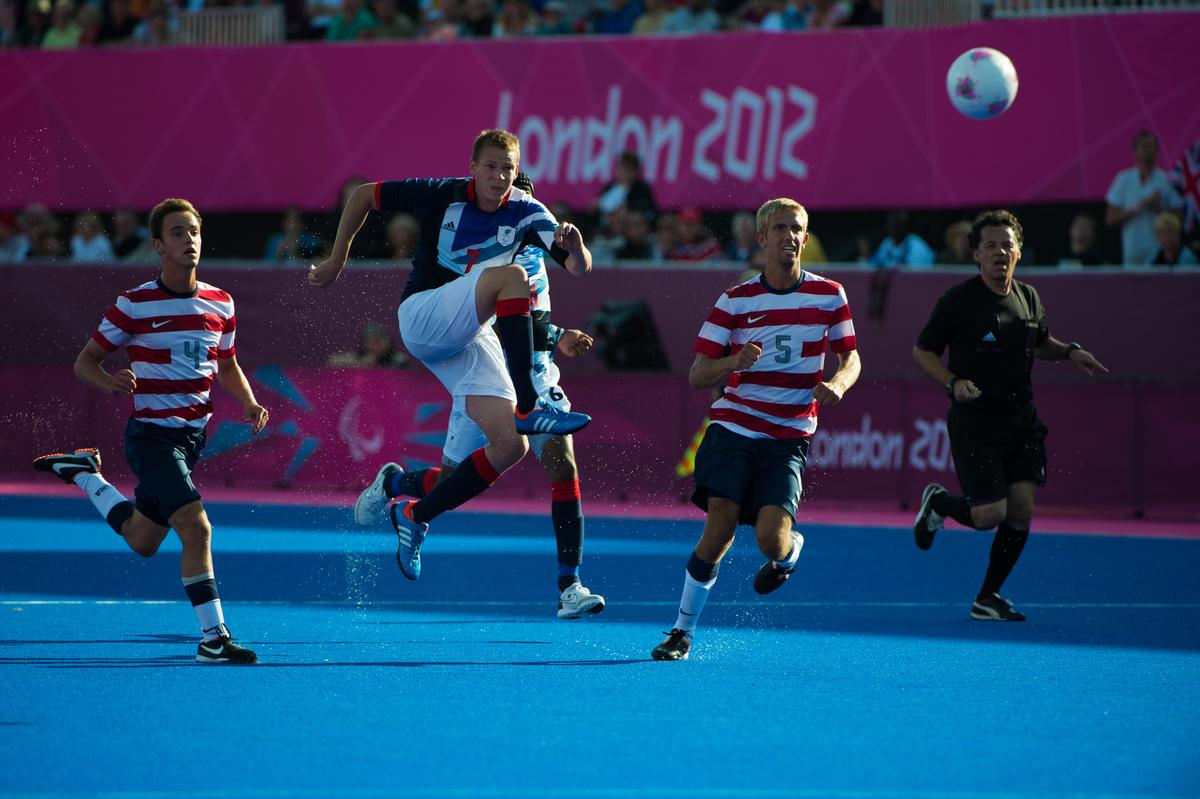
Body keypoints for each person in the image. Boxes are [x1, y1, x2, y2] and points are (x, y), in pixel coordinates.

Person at [309, 129, 593, 582]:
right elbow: (363, 194)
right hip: (424, 318)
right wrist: (338, 257)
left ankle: (407, 503)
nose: (501, 178)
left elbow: (578, 266)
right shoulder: (443, 196)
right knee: (510, 278)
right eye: (492, 167)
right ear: (473, 168)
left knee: (507, 449)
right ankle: (528, 407)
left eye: (509, 169)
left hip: (471, 341)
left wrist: (575, 250)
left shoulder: (527, 218)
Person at [32, 198, 269, 664]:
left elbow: (228, 364)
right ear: (158, 245)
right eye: (178, 233)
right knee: (196, 529)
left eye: (194, 231)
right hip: (152, 438)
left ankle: (85, 475)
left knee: (143, 540)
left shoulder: (221, 302)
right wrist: (112, 383)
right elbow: (86, 363)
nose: (190, 240)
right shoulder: (135, 303)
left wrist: (248, 399)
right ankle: (214, 639)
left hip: (190, 440)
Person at [372, 173, 606, 618]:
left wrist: (555, 332)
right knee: (455, 480)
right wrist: (557, 334)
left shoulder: (538, 253)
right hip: (490, 369)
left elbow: (559, 286)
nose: (522, 217)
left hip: (539, 375)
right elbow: (494, 325)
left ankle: (569, 586)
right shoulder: (485, 260)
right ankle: (397, 485)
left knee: (563, 465)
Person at [651, 197, 861, 661]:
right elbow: (698, 374)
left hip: (788, 435)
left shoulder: (830, 295)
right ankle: (681, 632)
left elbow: (851, 357)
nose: (789, 236)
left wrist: (840, 383)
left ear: (806, 239)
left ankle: (787, 555)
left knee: (771, 538)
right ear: (762, 238)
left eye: (797, 229)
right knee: (721, 523)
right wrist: (733, 361)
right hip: (734, 425)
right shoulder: (736, 298)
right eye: (780, 228)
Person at [911, 210, 1107, 622]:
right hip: (975, 422)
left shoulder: (1029, 296)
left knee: (1022, 509)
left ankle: (988, 597)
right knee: (988, 515)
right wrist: (952, 383)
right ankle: (940, 503)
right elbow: (922, 351)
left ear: (1018, 251)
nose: (1000, 252)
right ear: (977, 255)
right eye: (990, 246)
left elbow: (1039, 342)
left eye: (1007, 244)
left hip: (1020, 421)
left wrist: (1071, 352)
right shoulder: (959, 301)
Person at [1105, 130, 1184, 266]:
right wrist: (1137, 208)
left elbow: (1179, 220)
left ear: (1157, 151)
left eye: (1150, 146)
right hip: (1132, 252)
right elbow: (1110, 219)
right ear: (1135, 151)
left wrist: (1158, 209)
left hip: (1160, 253)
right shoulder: (1123, 179)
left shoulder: (1168, 180)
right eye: (1143, 147)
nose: (1147, 150)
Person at [328, 320, 410, 368]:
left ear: (388, 342)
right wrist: (360, 363)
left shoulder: (397, 358)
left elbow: (402, 362)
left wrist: (377, 362)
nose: (376, 343)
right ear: (364, 343)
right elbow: (332, 360)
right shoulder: (357, 357)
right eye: (371, 339)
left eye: (380, 339)